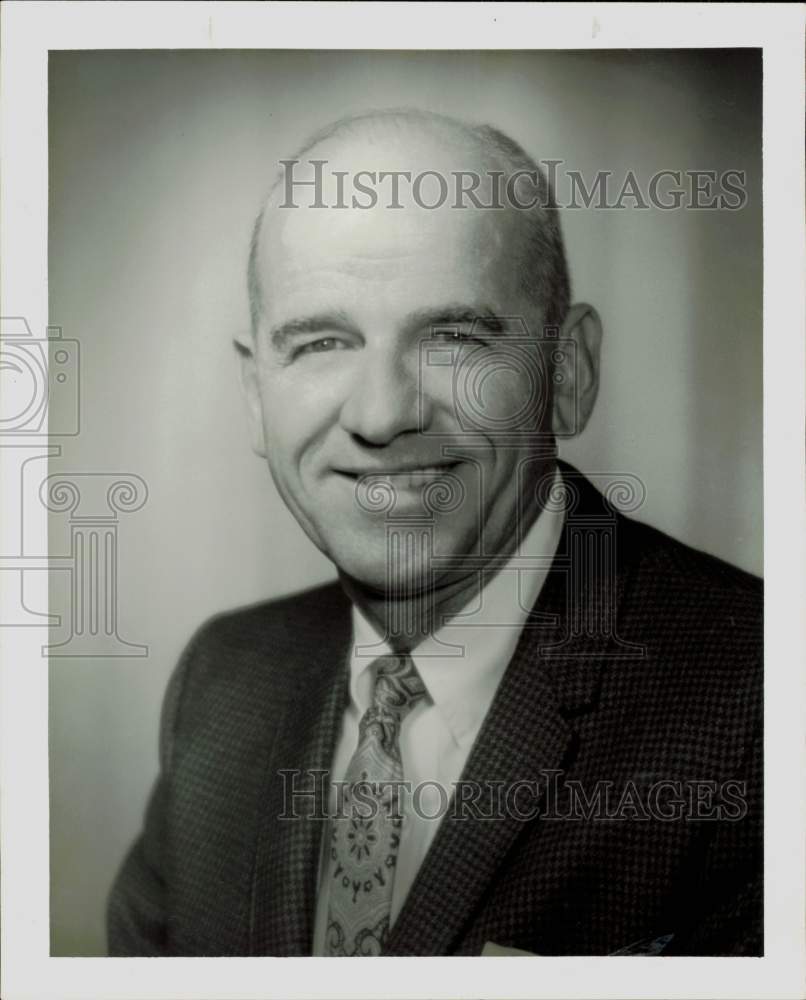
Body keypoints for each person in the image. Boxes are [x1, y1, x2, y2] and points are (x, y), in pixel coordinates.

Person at [107, 109, 762, 957]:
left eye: (453, 336)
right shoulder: (223, 680)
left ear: (569, 371)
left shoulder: (763, 704)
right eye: (321, 343)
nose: (381, 416)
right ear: (254, 393)